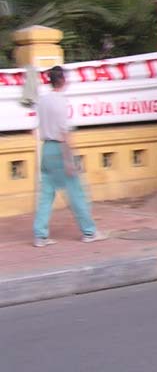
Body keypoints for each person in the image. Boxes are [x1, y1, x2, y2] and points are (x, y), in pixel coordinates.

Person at [32, 66, 106, 247]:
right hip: (60, 148)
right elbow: (65, 133)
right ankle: (89, 232)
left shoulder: (42, 100)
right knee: (76, 192)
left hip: (46, 149)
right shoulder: (61, 102)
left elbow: (37, 127)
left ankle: (40, 235)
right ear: (63, 80)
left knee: (46, 194)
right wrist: (69, 160)